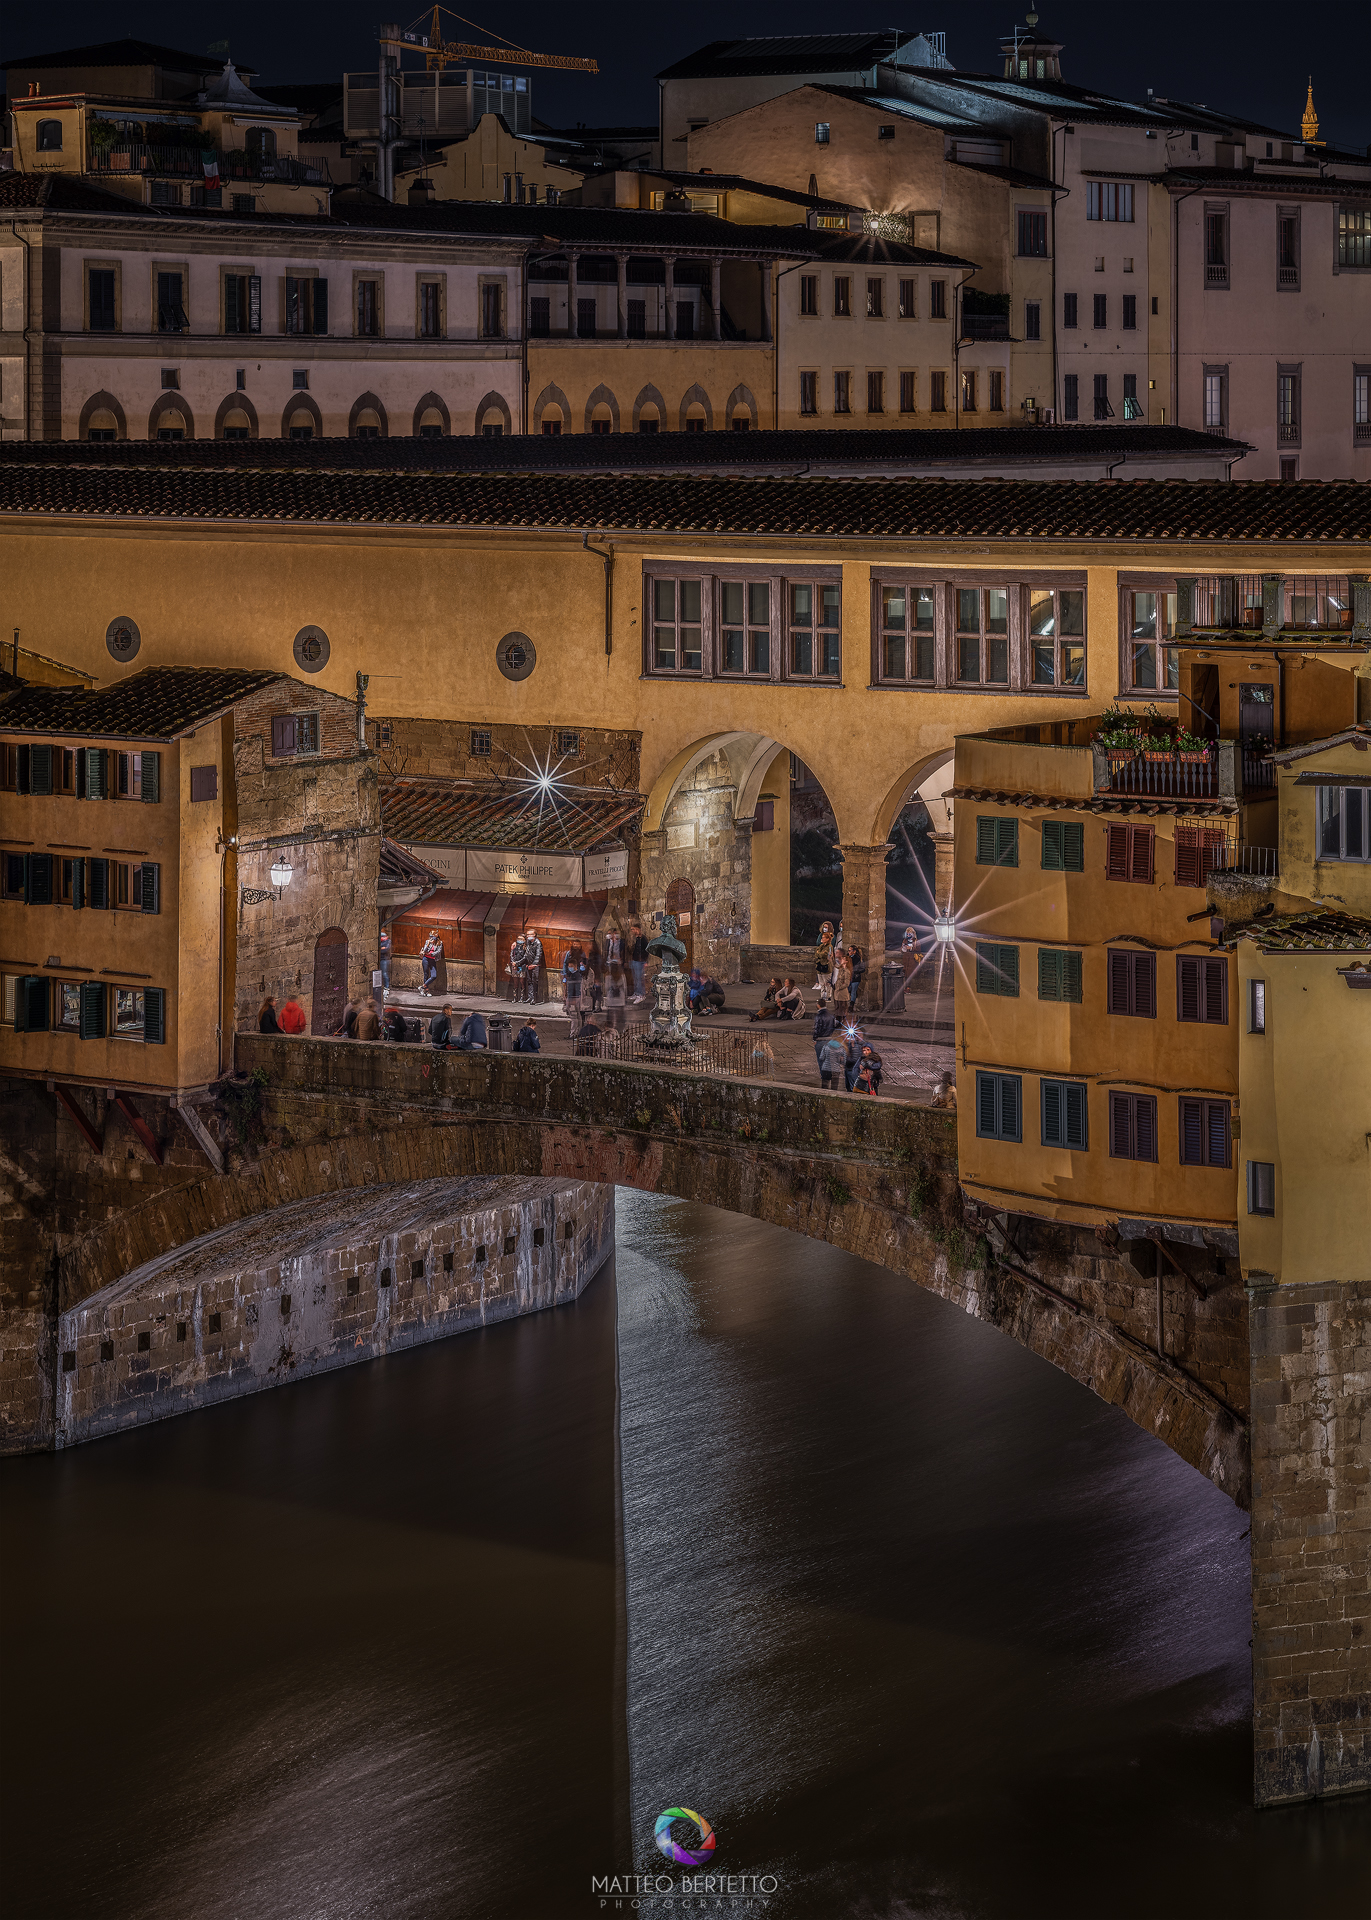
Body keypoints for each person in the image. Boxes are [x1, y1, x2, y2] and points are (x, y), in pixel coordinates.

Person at [813, 921, 836, 1004]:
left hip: (826, 966)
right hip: (820, 967)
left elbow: (825, 955)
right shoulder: (821, 946)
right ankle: (822, 997)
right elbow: (817, 954)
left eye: (823, 938)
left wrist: (820, 954)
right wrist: (819, 954)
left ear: (827, 939)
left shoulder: (829, 947)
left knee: (827, 983)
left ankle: (828, 996)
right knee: (821, 983)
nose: (821, 939)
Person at [521, 928, 544, 1004]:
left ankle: (535, 998)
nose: (528, 936)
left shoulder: (538, 943)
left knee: (535, 982)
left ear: (534, 935)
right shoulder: (528, 942)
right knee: (529, 981)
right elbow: (526, 953)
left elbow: (538, 955)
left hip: (535, 965)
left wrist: (534, 964)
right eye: (527, 934)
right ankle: (530, 997)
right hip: (528, 964)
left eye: (530, 934)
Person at [603, 962, 628, 1031]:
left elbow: (606, 988)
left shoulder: (608, 977)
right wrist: (625, 997)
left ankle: (611, 1030)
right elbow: (625, 988)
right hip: (620, 1000)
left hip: (611, 1001)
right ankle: (620, 1030)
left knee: (611, 1018)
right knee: (620, 1018)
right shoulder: (622, 976)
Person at [812, 1001, 836, 1070]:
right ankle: (829, 1075)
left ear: (818, 1005)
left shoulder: (819, 1016)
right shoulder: (831, 1015)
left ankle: (824, 1077)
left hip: (820, 1040)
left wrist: (814, 1039)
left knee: (821, 1060)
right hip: (829, 1039)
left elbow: (817, 1029)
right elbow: (835, 1026)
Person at [629, 923, 648, 1003]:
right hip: (635, 960)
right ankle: (636, 993)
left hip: (640, 961)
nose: (633, 931)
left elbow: (647, 950)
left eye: (634, 929)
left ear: (638, 929)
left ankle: (641, 995)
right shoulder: (636, 939)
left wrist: (645, 961)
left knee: (639, 978)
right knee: (635, 978)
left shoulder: (643, 939)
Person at [506, 931, 527, 1002]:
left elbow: (525, 957)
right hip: (514, 967)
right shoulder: (514, 946)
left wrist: (517, 963)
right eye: (518, 939)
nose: (520, 940)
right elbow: (511, 954)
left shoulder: (526, 947)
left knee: (522, 982)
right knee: (515, 982)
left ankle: (522, 997)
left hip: (522, 967)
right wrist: (513, 963)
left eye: (521, 939)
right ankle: (515, 997)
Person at [420, 931, 443, 995]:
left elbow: (439, 951)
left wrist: (431, 954)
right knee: (426, 974)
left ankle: (423, 987)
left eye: (433, 937)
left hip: (432, 960)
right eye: (431, 936)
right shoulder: (427, 941)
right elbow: (424, 950)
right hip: (425, 959)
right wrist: (428, 944)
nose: (432, 938)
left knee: (434, 975)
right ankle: (426, 991)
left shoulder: (439, 943)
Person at [848, 946, 866, 1012]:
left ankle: (851, 1005)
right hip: (849, 977)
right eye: (848, 950)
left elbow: (862, 969)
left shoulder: (859, 959)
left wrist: (855, 971)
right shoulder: (848, 958)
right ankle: (853, 998)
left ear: (854, 951)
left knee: (853, 991)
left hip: (855, 977)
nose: (849, 952)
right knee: (848, 989)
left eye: (850, 950)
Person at [378, 924, 392, 991]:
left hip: (384, 959)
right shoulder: (381, 941)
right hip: (380, 958)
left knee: (384, 973)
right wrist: (381, 948)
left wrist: (380, 949)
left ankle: (386, 987)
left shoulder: (387, 941)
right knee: (380, 973)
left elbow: (385, 949)